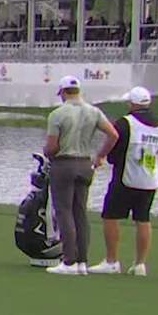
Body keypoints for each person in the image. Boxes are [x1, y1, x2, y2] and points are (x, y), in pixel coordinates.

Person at [88, 87, 158, 276]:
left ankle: (112, 261)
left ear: (132, 103)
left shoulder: (125, 123)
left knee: (111, 216)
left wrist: (108, 158)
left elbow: (115, 148)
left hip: (126, 178)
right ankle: (140, 264)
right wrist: (154, 159)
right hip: (149, 180)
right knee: (143, 219)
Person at [42, 76, 118, 275]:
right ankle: (82, 262)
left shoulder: (58, 114)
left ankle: (69, 261)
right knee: (80, 212)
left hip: (64, 164)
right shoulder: (94, 111)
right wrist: (101, 155)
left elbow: (52, 147)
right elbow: (113, 135)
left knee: (64, 211)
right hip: (85, 163)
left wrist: (47, 151)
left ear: (63, 92)